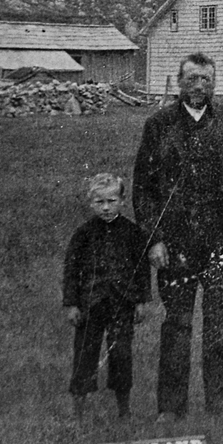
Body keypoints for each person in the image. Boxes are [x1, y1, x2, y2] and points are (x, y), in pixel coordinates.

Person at [132, 52, 223, 419]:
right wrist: (154, 238)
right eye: (192, 80)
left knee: (220, 321)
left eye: (206, 80)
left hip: (222, 242)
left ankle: (221, 405)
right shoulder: (159, 125)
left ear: (214, 83)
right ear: (179, 82)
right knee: (178, 324)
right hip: (176, 243)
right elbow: (143, 188)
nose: (199, 87)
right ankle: (171, 408)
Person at [62, 173, 151, 420]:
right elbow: (70, 271)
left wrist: (142, 300)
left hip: (122, 304)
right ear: (91, 203)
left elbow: (142, 269)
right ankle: (79, 411)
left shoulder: (133, 233)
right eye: (99, 202)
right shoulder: (83, 235)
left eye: (111, 201)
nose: (106, 207)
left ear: (122, 201)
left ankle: (124, 409)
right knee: (85, 355)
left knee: (121, 353)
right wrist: (71, 304)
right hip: (90, 305)